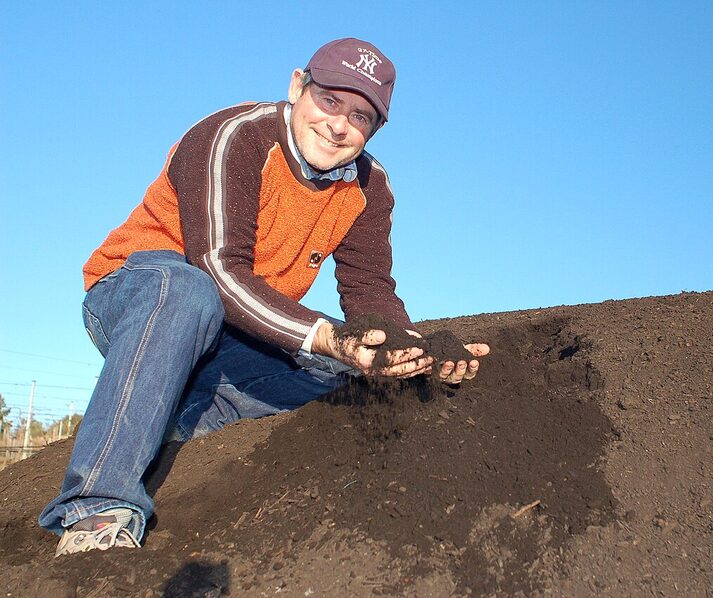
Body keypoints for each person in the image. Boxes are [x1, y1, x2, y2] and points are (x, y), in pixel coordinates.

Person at [39, 38, 489, 557]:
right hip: (141, 293)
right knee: (190, 292)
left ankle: (180, 417)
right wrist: (323, 336)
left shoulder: (370, 186)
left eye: (362, 116)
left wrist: (416, 351)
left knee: (343, 380)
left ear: (376, 129)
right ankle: (97, 509)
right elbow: (219, 270)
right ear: (297, 86)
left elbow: (369, 289)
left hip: (236, 329)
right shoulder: (234, 137)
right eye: (330, 101)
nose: (340, 125)